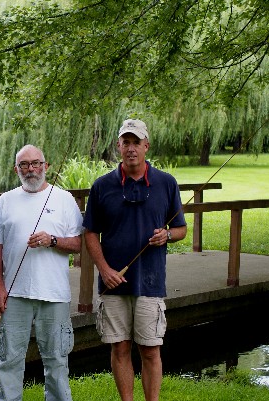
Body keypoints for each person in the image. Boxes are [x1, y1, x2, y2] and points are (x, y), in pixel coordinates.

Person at [83, 119, 187, 401]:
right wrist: (104, 270)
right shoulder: (102, 185)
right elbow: (90, 233)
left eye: (136, 143)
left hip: (150, 282)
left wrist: (167, 234)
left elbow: (181, 229)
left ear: (146, 146)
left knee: (151, 350)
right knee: (119, 348)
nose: (131, 149)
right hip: (113, 283)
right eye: (125, 142)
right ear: (118, 145)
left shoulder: (166, 183)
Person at [0, 144, 84, 401]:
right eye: (24, 164)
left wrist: (52, 240)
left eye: (35, 163)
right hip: (14, 294)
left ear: (46, 166)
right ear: (16, 169)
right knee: (9, 358)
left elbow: (79, 244)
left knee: (56, 359)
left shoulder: (64, 199)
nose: (30, 169)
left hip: (54, 294)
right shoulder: (5, 201)